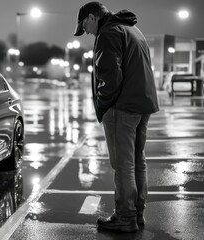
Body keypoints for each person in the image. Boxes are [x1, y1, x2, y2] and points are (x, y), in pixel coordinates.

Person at [73, 2, 159, 233]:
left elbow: (110, 75)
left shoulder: (108, 33)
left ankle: (125, 217)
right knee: (137, 161)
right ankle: (136, 213)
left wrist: (103, 105)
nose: (87, 32)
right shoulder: (132, 30)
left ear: (92, 17)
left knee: (123, 165)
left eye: (85, 26)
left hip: (122, 107)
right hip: (143, 103)